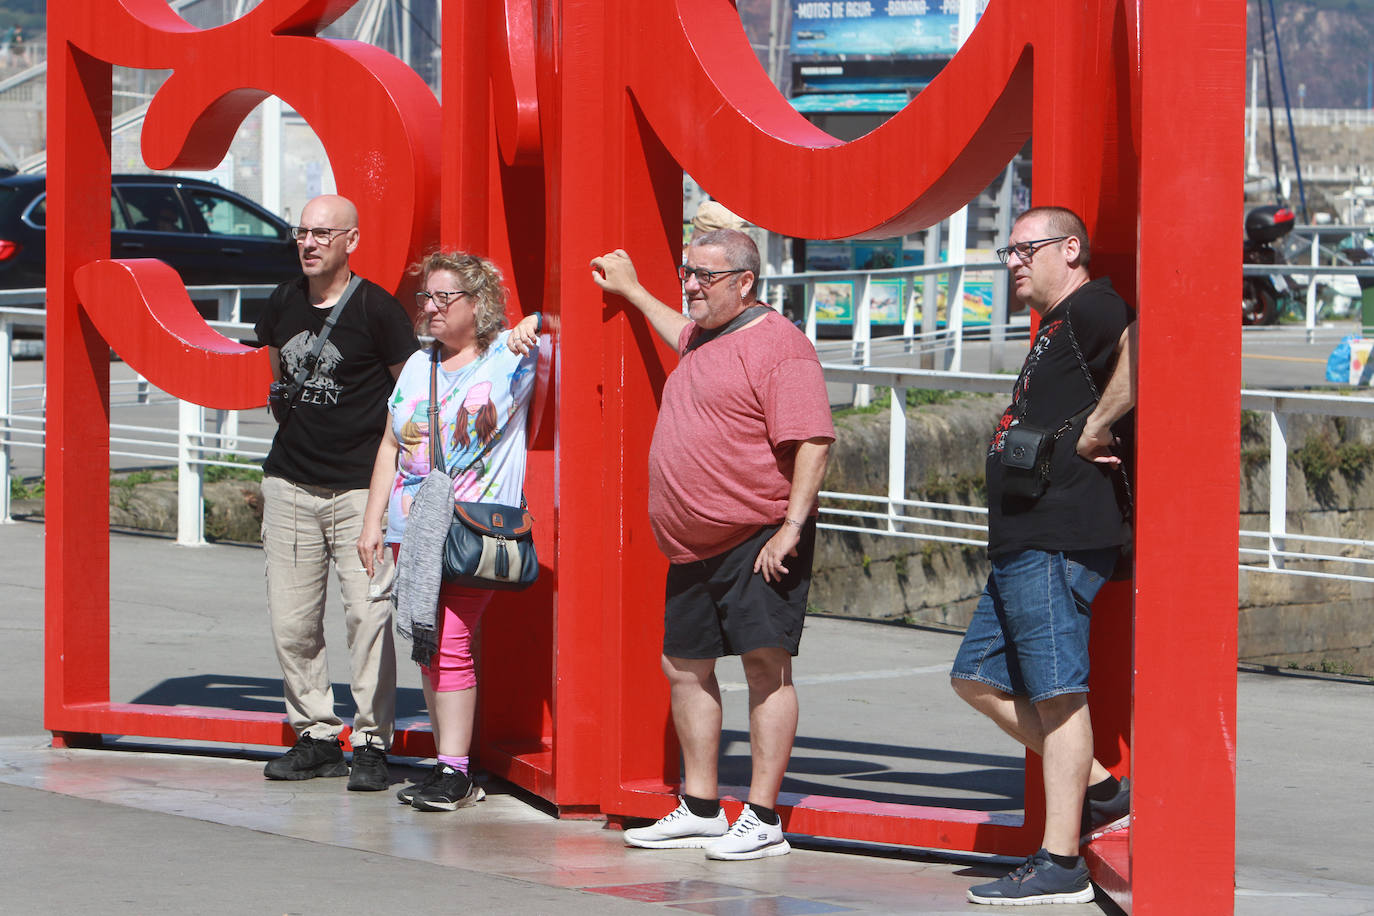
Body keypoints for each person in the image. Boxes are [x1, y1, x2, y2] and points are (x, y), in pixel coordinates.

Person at [590, 229, 834, 861]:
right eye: (686, 272)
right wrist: (636, 291)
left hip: (759, 536)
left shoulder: (782, 348)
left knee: (765, 669)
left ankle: (763, 818)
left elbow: (813, 440)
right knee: (685, 666)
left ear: (744, 283)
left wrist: (791, 528)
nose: (691, 285)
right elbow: (679, 328)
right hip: (692, 545)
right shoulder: (705, 333)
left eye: (705, 276)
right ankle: (700, 807)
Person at [950, 206, 1137, 905]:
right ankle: (1103, 790)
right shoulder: (1058, 323)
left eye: (1025, 249)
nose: (1012, 263)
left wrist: (1097, 424)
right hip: (1026, 537)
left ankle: (1061, 864)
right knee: (976, 677)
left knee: (1057, 695)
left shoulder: (1093, 304)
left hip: (1060, 534)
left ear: (1071, 247)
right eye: (1008, 251)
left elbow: (1148, 346)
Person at [357, 250, 542, 812]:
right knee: (429, 647)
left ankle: (456, 772)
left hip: (470, 528)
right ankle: (446, 765)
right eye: (426, 298)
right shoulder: (418, 364)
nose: (431, 308)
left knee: (452, 643)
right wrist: (371, 522)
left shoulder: (510, 357)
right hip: (410, 530)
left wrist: (534, 321)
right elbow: (391, 444)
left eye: (444, 298)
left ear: (478, 304)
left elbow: (562, 330)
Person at [254, 194, 419, 791]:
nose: (309, 242)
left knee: (368, 617)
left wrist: (395, 486)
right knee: (292, 622)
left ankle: (373, 742)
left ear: (352, 240)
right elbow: (279, 371)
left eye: (323, 233)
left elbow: (408, 400)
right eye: (302, 232)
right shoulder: (282, 301)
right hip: (291, 482)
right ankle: (317, 736)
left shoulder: (379, 311)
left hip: (360, 494)